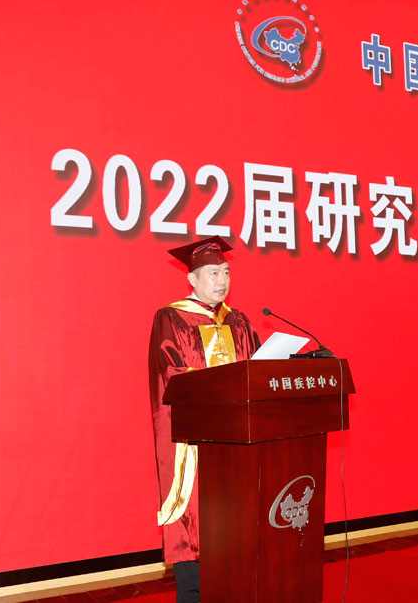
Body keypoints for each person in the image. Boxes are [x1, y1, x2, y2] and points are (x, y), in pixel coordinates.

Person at [148, 236, 259, 603]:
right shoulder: (171, 318)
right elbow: (171, 375)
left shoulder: (239, 321)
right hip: (196, 444)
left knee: (236, 522)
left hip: (237, 442)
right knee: (195, 521)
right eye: (213, 273)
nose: (222, 280)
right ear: (192, 279)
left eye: (226, 272)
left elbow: (256, 372)